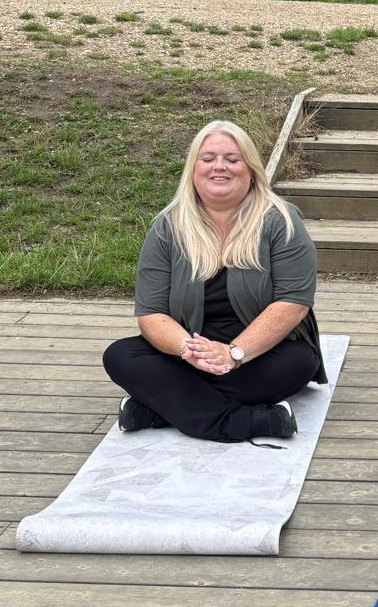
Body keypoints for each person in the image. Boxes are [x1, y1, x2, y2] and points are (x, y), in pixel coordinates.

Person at [103, 119, 325, 442]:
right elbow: (150, 313)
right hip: (191, 351)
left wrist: (233, 354)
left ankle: (159, 409)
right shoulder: (168, 228)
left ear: (250, 169)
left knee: (299, 362)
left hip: (260, 353)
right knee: (120, 357)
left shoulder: (281, 221)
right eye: (207, 159)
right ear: (193, 170)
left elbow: (293, 304)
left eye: (232, 160)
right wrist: (187, 351)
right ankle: (255, 420)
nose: (219, 167)